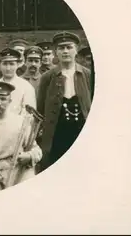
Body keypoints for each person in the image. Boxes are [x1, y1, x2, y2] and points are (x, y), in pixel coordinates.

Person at [36, 32, 92, 173]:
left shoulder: (87, 75)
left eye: (69, 47)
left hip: (81, 131)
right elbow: (41, 108)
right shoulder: (47, 78)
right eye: (61, 48)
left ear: (76, 50)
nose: (65, 51)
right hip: (57, 133)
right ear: (56, 52)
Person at [0, 47, 37, 115]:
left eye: (11, 64)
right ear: (0, 65)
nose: (8, 68)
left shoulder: (26, 87)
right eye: (5, 64)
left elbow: (29, 115)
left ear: (17, 65)